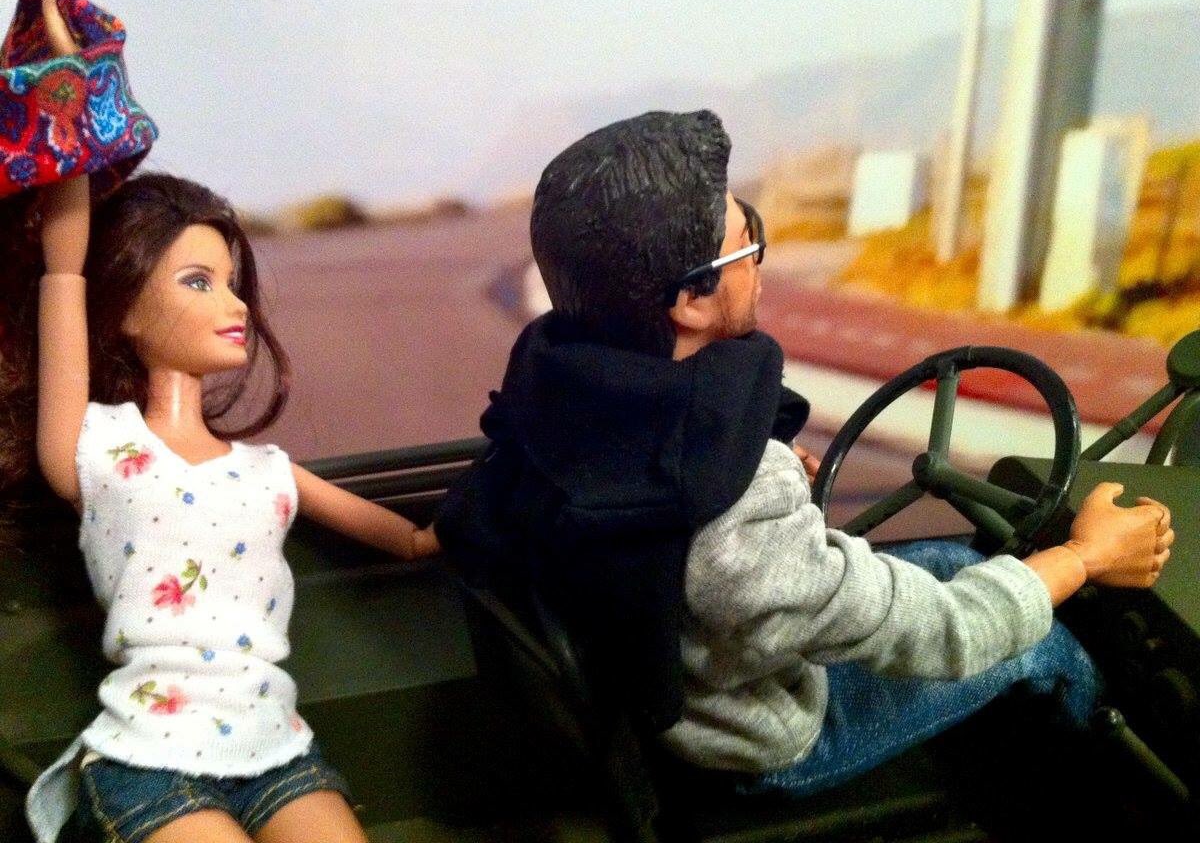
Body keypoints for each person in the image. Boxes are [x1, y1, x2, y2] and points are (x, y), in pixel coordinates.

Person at [434, 109, 1174, 798]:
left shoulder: (561, 393)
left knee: (957, 562)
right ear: (691, 300)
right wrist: (1086, 557)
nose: (760, 258)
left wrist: (776, 484)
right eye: (747, 242)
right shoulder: (728, 501)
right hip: (767, 729)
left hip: (697, 664)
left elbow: (733, 559)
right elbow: (948, 630)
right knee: (1046, 644)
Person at [14, 0, 436, 843]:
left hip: (279, 752)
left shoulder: (268, 473)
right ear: (126, 309)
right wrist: (65, 100)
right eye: (198, 282)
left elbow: (410, 539)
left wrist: (480, 522)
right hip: (149, 761)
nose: (234, 303)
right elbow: (65, 267)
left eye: (233, 282)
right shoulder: (99, 449)